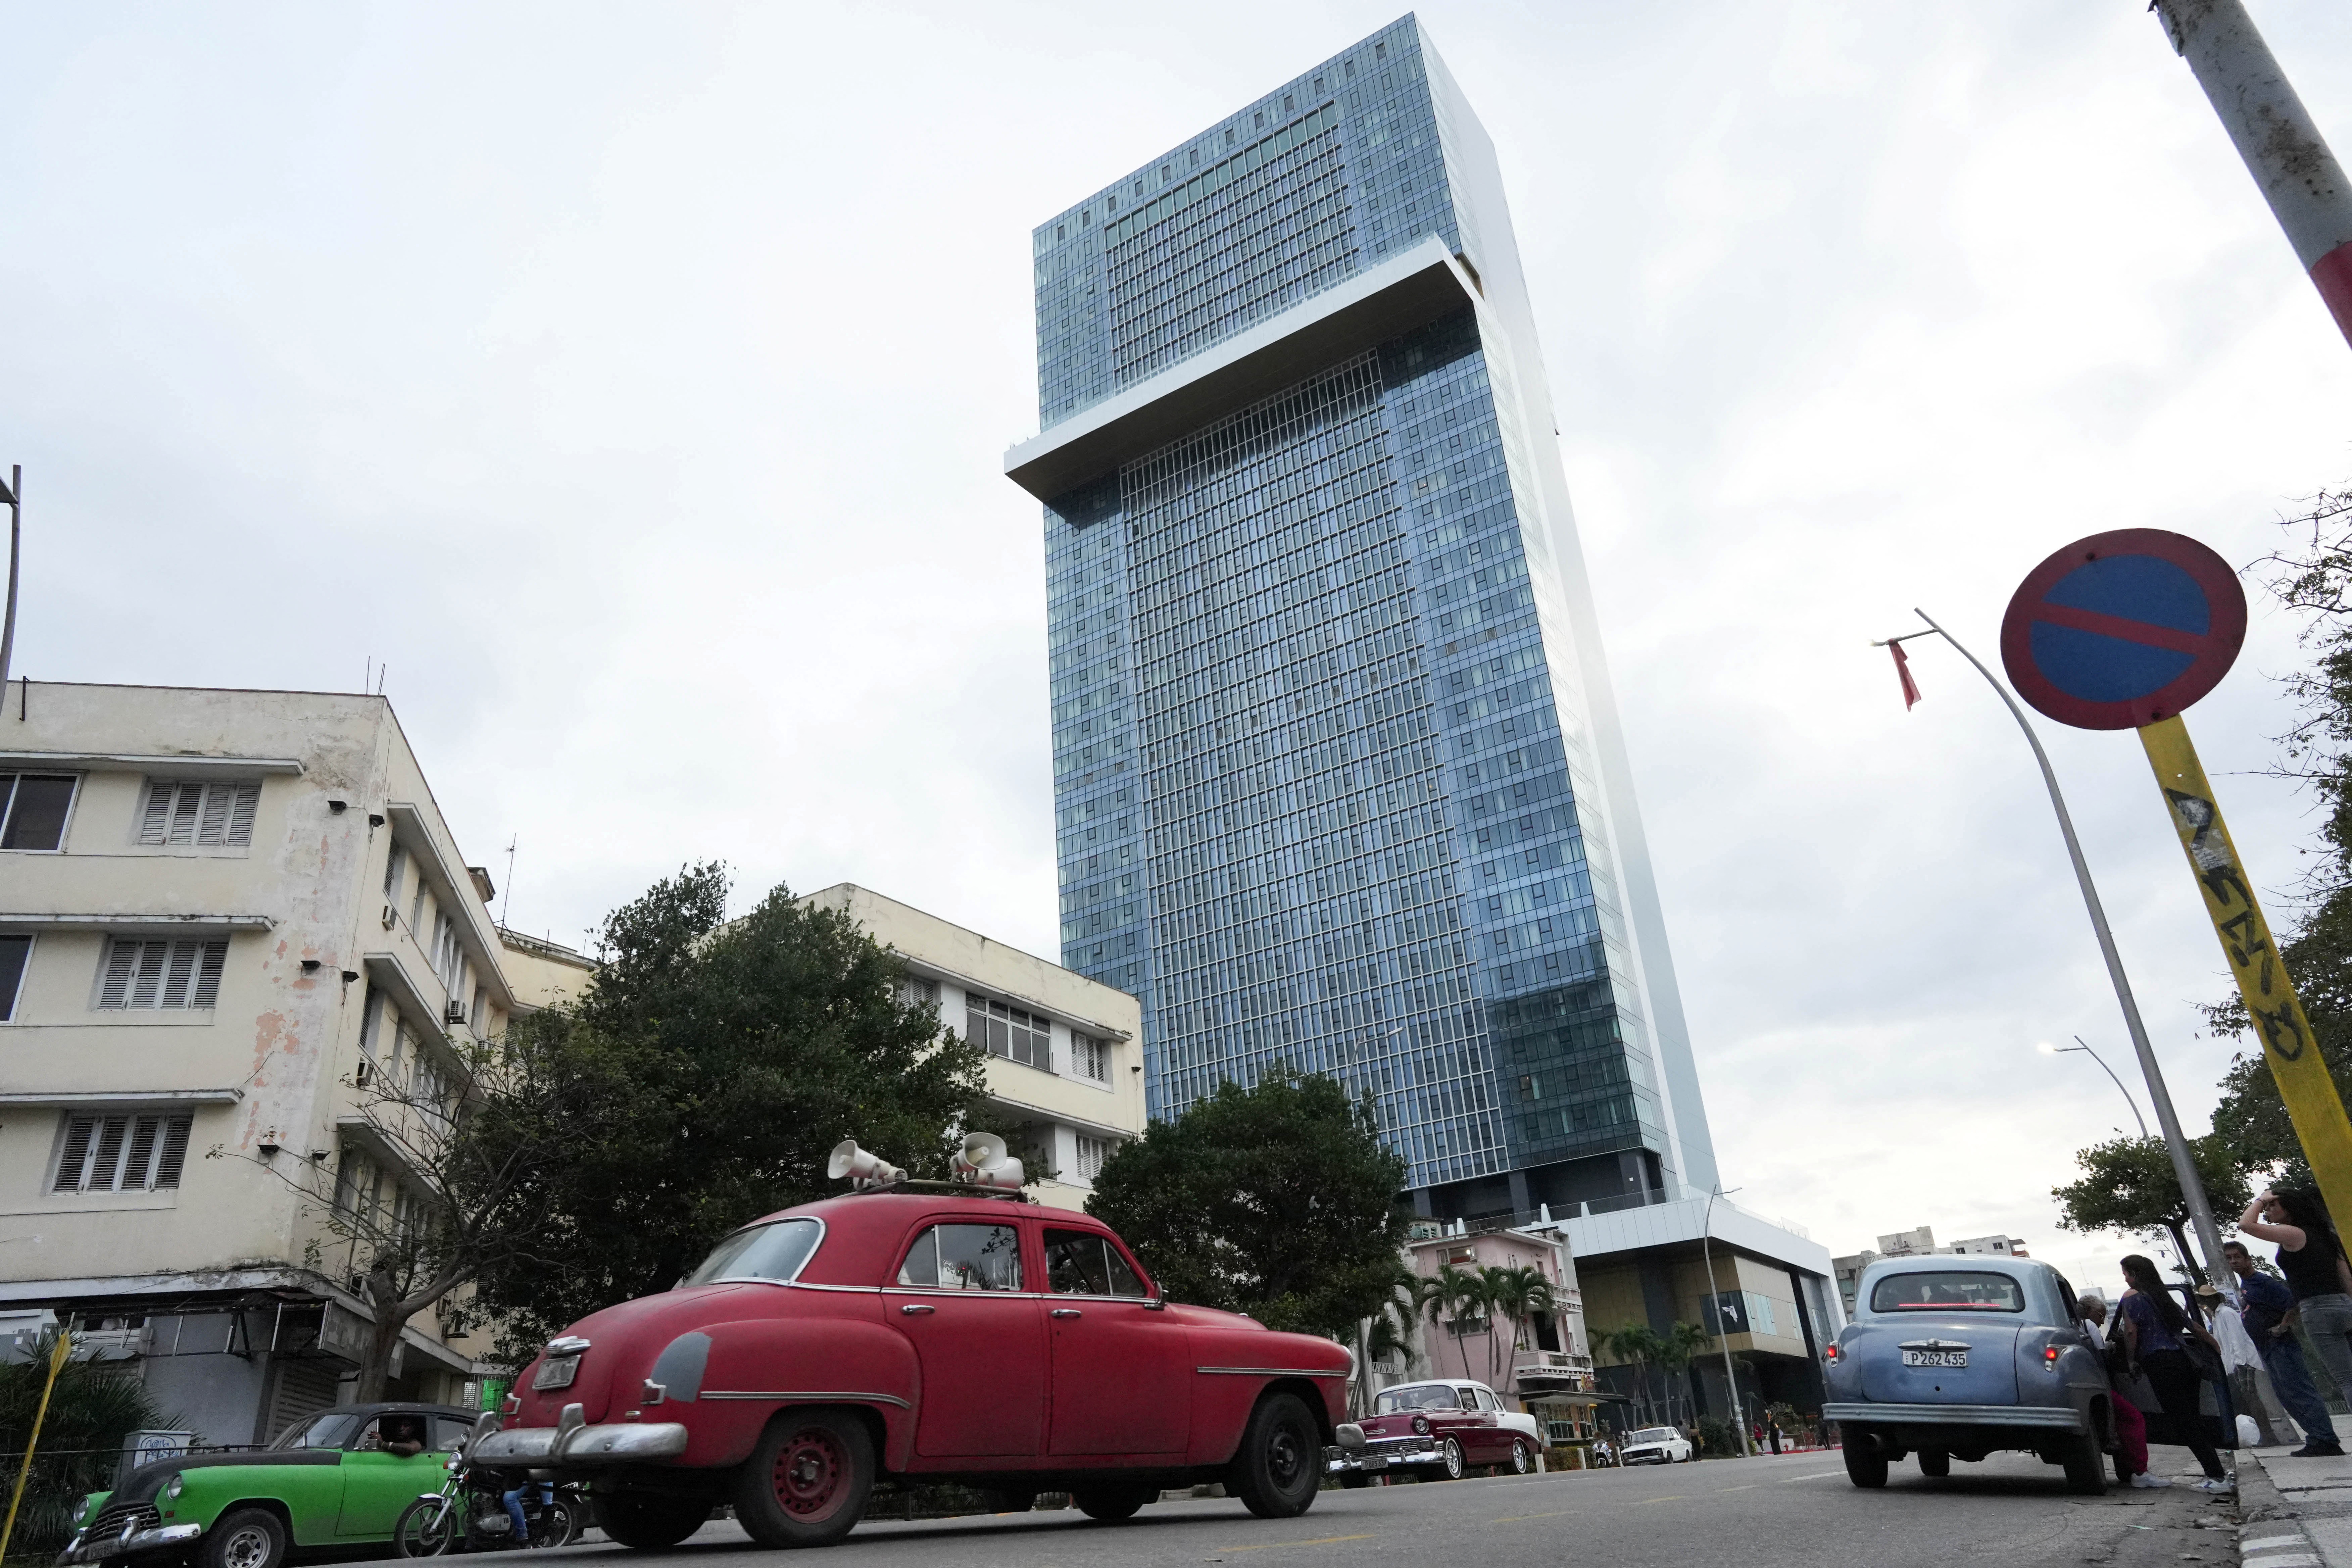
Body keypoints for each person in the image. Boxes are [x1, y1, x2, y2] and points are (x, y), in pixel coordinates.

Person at [2117, 1254, 2233, 1493]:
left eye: (2127, 1274)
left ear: (2135, 1275)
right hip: (2183, 1362)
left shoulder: (2131, 1298)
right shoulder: (2163, 1296)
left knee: (2183, 1423)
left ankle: (2216, 1476)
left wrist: (2131, 1361)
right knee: (2194, 1419)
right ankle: (2216, 1473)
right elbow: (2194, 1326)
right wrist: (2214, 1346)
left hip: (2160, 1364)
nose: (2126, 1280)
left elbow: (2131, 1332)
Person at [2240, 1187, 2352, 1422]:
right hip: (2344, 1306)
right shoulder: (2326, 1235)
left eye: (2274, 1205)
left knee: (2347, 1379)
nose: (2269, 1209)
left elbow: (2246, 1225)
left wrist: (2260, 1199)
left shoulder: (2293, 1233)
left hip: (2318, 1309)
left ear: (2289, 1208)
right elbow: (2347, 1280)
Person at [2223, 1237, 2343, 1456]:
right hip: (2266, 1348)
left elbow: (2293, 1301)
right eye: (2229, 1259)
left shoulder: (2262, 1282)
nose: (2233, 1262)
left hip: (2281, 1346)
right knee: (2286, 1395)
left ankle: (2326, 1439)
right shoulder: (2247, 1285)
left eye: (2237, 1257)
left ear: (2248, 1259)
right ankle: (2316, 1438)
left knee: (2300, 1391)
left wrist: (2282, 1327)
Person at [2081, 1294, 2167, 1488]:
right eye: (2100, 1314)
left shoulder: (2076, 1325)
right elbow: (2100, 1356)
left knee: (2121, 1422)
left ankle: (2129, 1471)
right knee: (2133, 1418)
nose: (2102, 1320)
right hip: (2099, 1385)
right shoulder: (2089, 1325)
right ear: (2088, 1312)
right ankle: (2140, 1471)